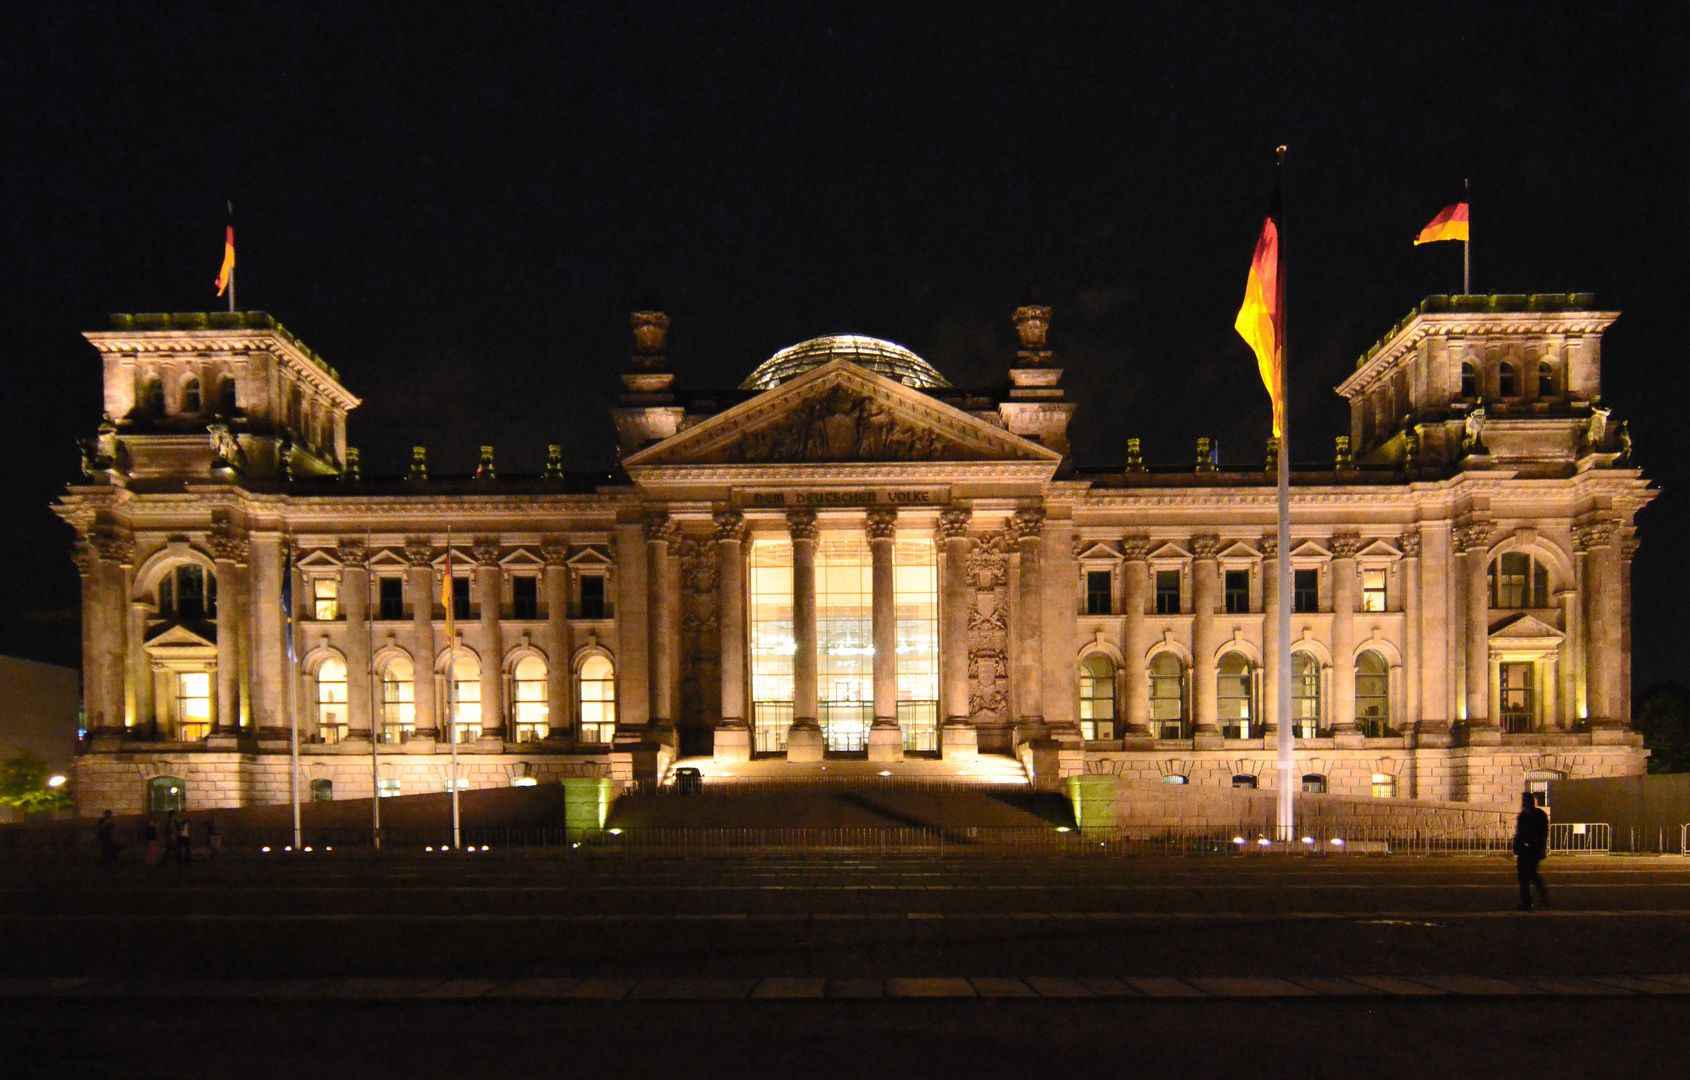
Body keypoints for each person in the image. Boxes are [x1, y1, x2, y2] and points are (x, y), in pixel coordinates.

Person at [1512, 790, 1551, 910]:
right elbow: (1519, 833)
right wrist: (1517, 846)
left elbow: (1543, 833)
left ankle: (1541, 892)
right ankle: (1527, 901)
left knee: (1530, 873)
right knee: (1523, 876)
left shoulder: (1539, 815)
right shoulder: (1523, 816)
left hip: (1534, 848)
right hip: (1524, 849)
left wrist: (1541, 848)